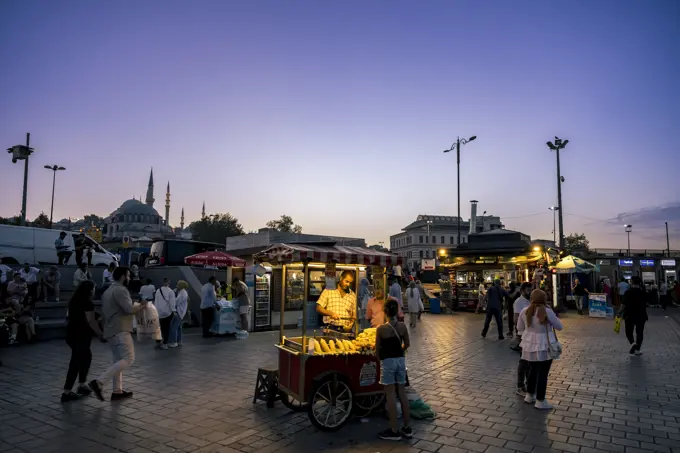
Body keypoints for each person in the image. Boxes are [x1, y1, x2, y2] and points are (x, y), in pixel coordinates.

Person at [89, 267, 147, 402]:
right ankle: (99, 382)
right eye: (128, 275)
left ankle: (117, 391)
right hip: (121, 329)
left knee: (118, 360)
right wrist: (142, 305)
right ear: (122, 276)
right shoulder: (121, 290)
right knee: (129, 359)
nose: (130, 278)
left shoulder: (107, 291)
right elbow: (129, 309)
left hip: (110, 330)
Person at [517, 289, 563, 410]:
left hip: (529, 345)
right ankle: (540, 400)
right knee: (543, 373)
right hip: (545, 345)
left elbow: (519, 327)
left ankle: (530, 395)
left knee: (532, 370)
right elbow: (560, 327)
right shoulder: (547, 310)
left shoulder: (524, 311)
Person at [375, 298, 412, 441]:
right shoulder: (402, 327)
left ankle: (394, 430)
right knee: (402, 393)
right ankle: (407, 428)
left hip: (388, 362)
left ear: (385, 312)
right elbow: (407, 344)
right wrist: (399, 350)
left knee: (390, 394)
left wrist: (381, 361)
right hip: (401, 361)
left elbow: (377, 350)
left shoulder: (381, 329)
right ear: (397, 311)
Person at [61, 280, 103, 402]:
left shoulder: (74, 300)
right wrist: (100, 334)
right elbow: (91, 321)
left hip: (72, 334)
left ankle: (81, 385)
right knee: (76, 362)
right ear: (90, 290)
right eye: (94, 289)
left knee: (86, 357)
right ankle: (67, 392)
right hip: (81, 335)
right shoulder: (88, 303)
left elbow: (82, 314)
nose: (95, 291)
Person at [512, 283, 532, 394]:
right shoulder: (519, 302)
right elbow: (516, 319)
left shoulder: (529, 301)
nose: (530, 292)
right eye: (528, 290)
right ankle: (520, 385)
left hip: (529, 335)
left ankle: (529, 383)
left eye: (531, 290)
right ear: (522, 291)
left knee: (528, 361)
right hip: (522, 335)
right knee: (524, 360)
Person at [621, 276, 648, 356]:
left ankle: (633, 344)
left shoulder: (628, 292)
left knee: (628, 331)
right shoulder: (643, 292)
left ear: (632, 282)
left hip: (630, 315)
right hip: (641, 315)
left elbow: (623, 305)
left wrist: (619, 313)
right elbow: (647, 303)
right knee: (640, 332)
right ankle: (637, 349)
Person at [154, 277, 176, 350]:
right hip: (167, 313)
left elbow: (156, 301)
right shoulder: (170, 291)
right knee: (166, 328)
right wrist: (174, 310)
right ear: (169, 282)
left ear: (163, 282)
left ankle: (158, 342)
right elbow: (172, 302)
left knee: (158, 328)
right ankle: (164, 344)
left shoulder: (158, 290)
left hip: (159, 312)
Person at [169, 280, 188, 347]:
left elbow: (176, 302)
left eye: (177, 284)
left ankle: (173, 342)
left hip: (179, 312)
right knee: (179, 327)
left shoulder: (182, 293)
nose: (176, 286)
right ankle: (179, 341)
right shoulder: (182, 292)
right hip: (181, 312)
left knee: (173, 327)